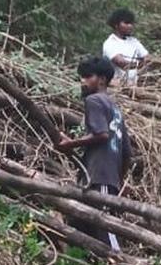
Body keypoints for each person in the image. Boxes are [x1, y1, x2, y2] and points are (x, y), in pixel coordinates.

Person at [56, 56, 132, 252]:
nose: (83, 81)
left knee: (106, 229)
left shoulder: (94, 100)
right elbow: (127, 153)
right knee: (80, 226)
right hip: (105, 178)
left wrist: (70, 144)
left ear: (102, 80)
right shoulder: (115, 108)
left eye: (88, 76)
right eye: (81, 77)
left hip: (100, 178)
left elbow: (102, 134)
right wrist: (119, 180)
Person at [102, 9, 150, 88]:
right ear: (116, 25)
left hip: (134, 86)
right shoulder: (110, 43)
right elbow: (122, 63)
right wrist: (140, 63)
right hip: (117, 86)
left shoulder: (134, 41)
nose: (130, 26)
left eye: (131, 23)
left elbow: (148, 58)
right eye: (126, 23)